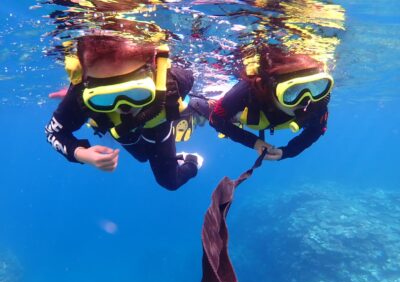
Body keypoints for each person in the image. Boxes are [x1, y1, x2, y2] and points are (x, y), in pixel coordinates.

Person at [45, 34, 203, 191]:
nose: (124, 106)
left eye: (135, 91)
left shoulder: (176, 81)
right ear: (87, 85)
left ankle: (192, 160)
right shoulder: (80, 95)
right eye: (104, 96)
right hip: (123, 133)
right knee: (142, 157)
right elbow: (54, 133)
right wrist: (82, 154)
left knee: (170, 182)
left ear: (155, 71)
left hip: (157, 129)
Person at [207, 45, 333, 161]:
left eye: (316, 86)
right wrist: (255, 142)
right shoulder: (247, 91)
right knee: (215, 108)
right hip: (245, 110)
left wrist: (286, 152)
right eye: (291, 92)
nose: (307, 100)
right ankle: (196, 105)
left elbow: (316, 130)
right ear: (272, 89)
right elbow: (215, 119)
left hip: (261, 119)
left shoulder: (318, 101)